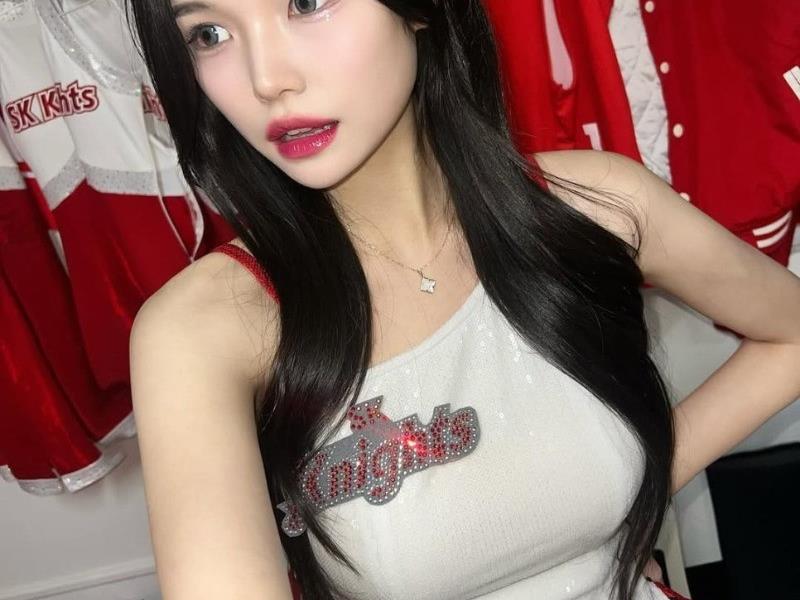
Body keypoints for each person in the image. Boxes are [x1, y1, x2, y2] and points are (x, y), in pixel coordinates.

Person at [126, 1, 800, 599]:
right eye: (209, 34)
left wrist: (635, 484)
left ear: (420, 9)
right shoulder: (205, 329)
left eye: (306, 2)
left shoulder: (595, 204)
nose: (266, 79)